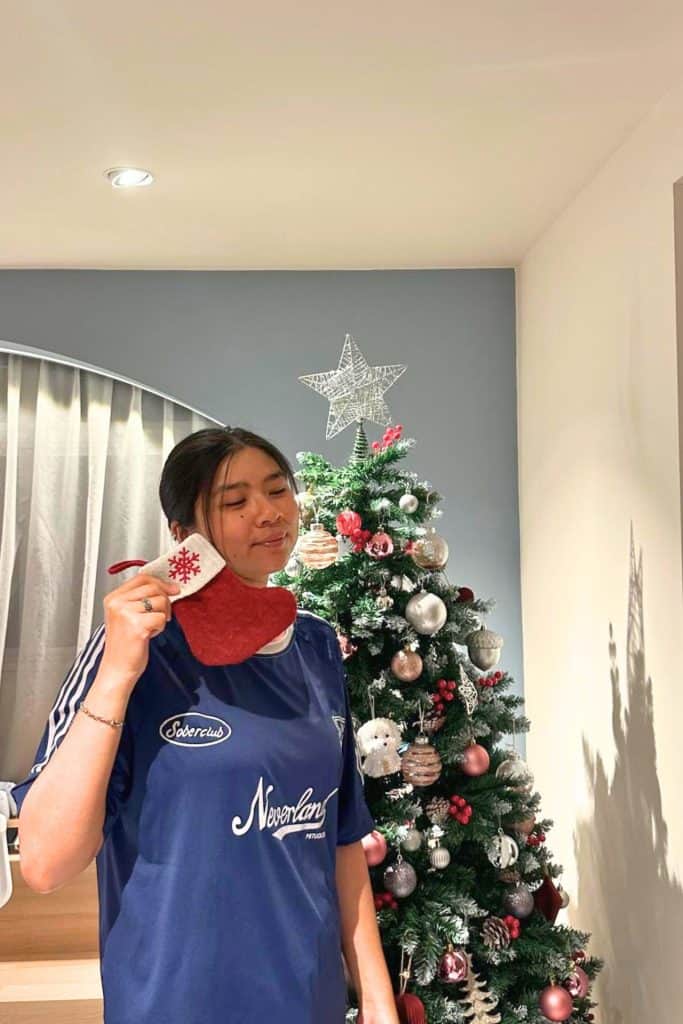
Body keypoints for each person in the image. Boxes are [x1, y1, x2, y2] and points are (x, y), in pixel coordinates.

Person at [12, 426, 400, 1024]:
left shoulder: (318, 646)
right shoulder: (137, 650)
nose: (268, 514)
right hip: (173, 1001)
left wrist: (376, 1002)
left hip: (306, 997)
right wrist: (117, 670)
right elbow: (43, 863)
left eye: (278, 491)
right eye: (235, 501)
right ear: (181, 535)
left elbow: (340, 839)